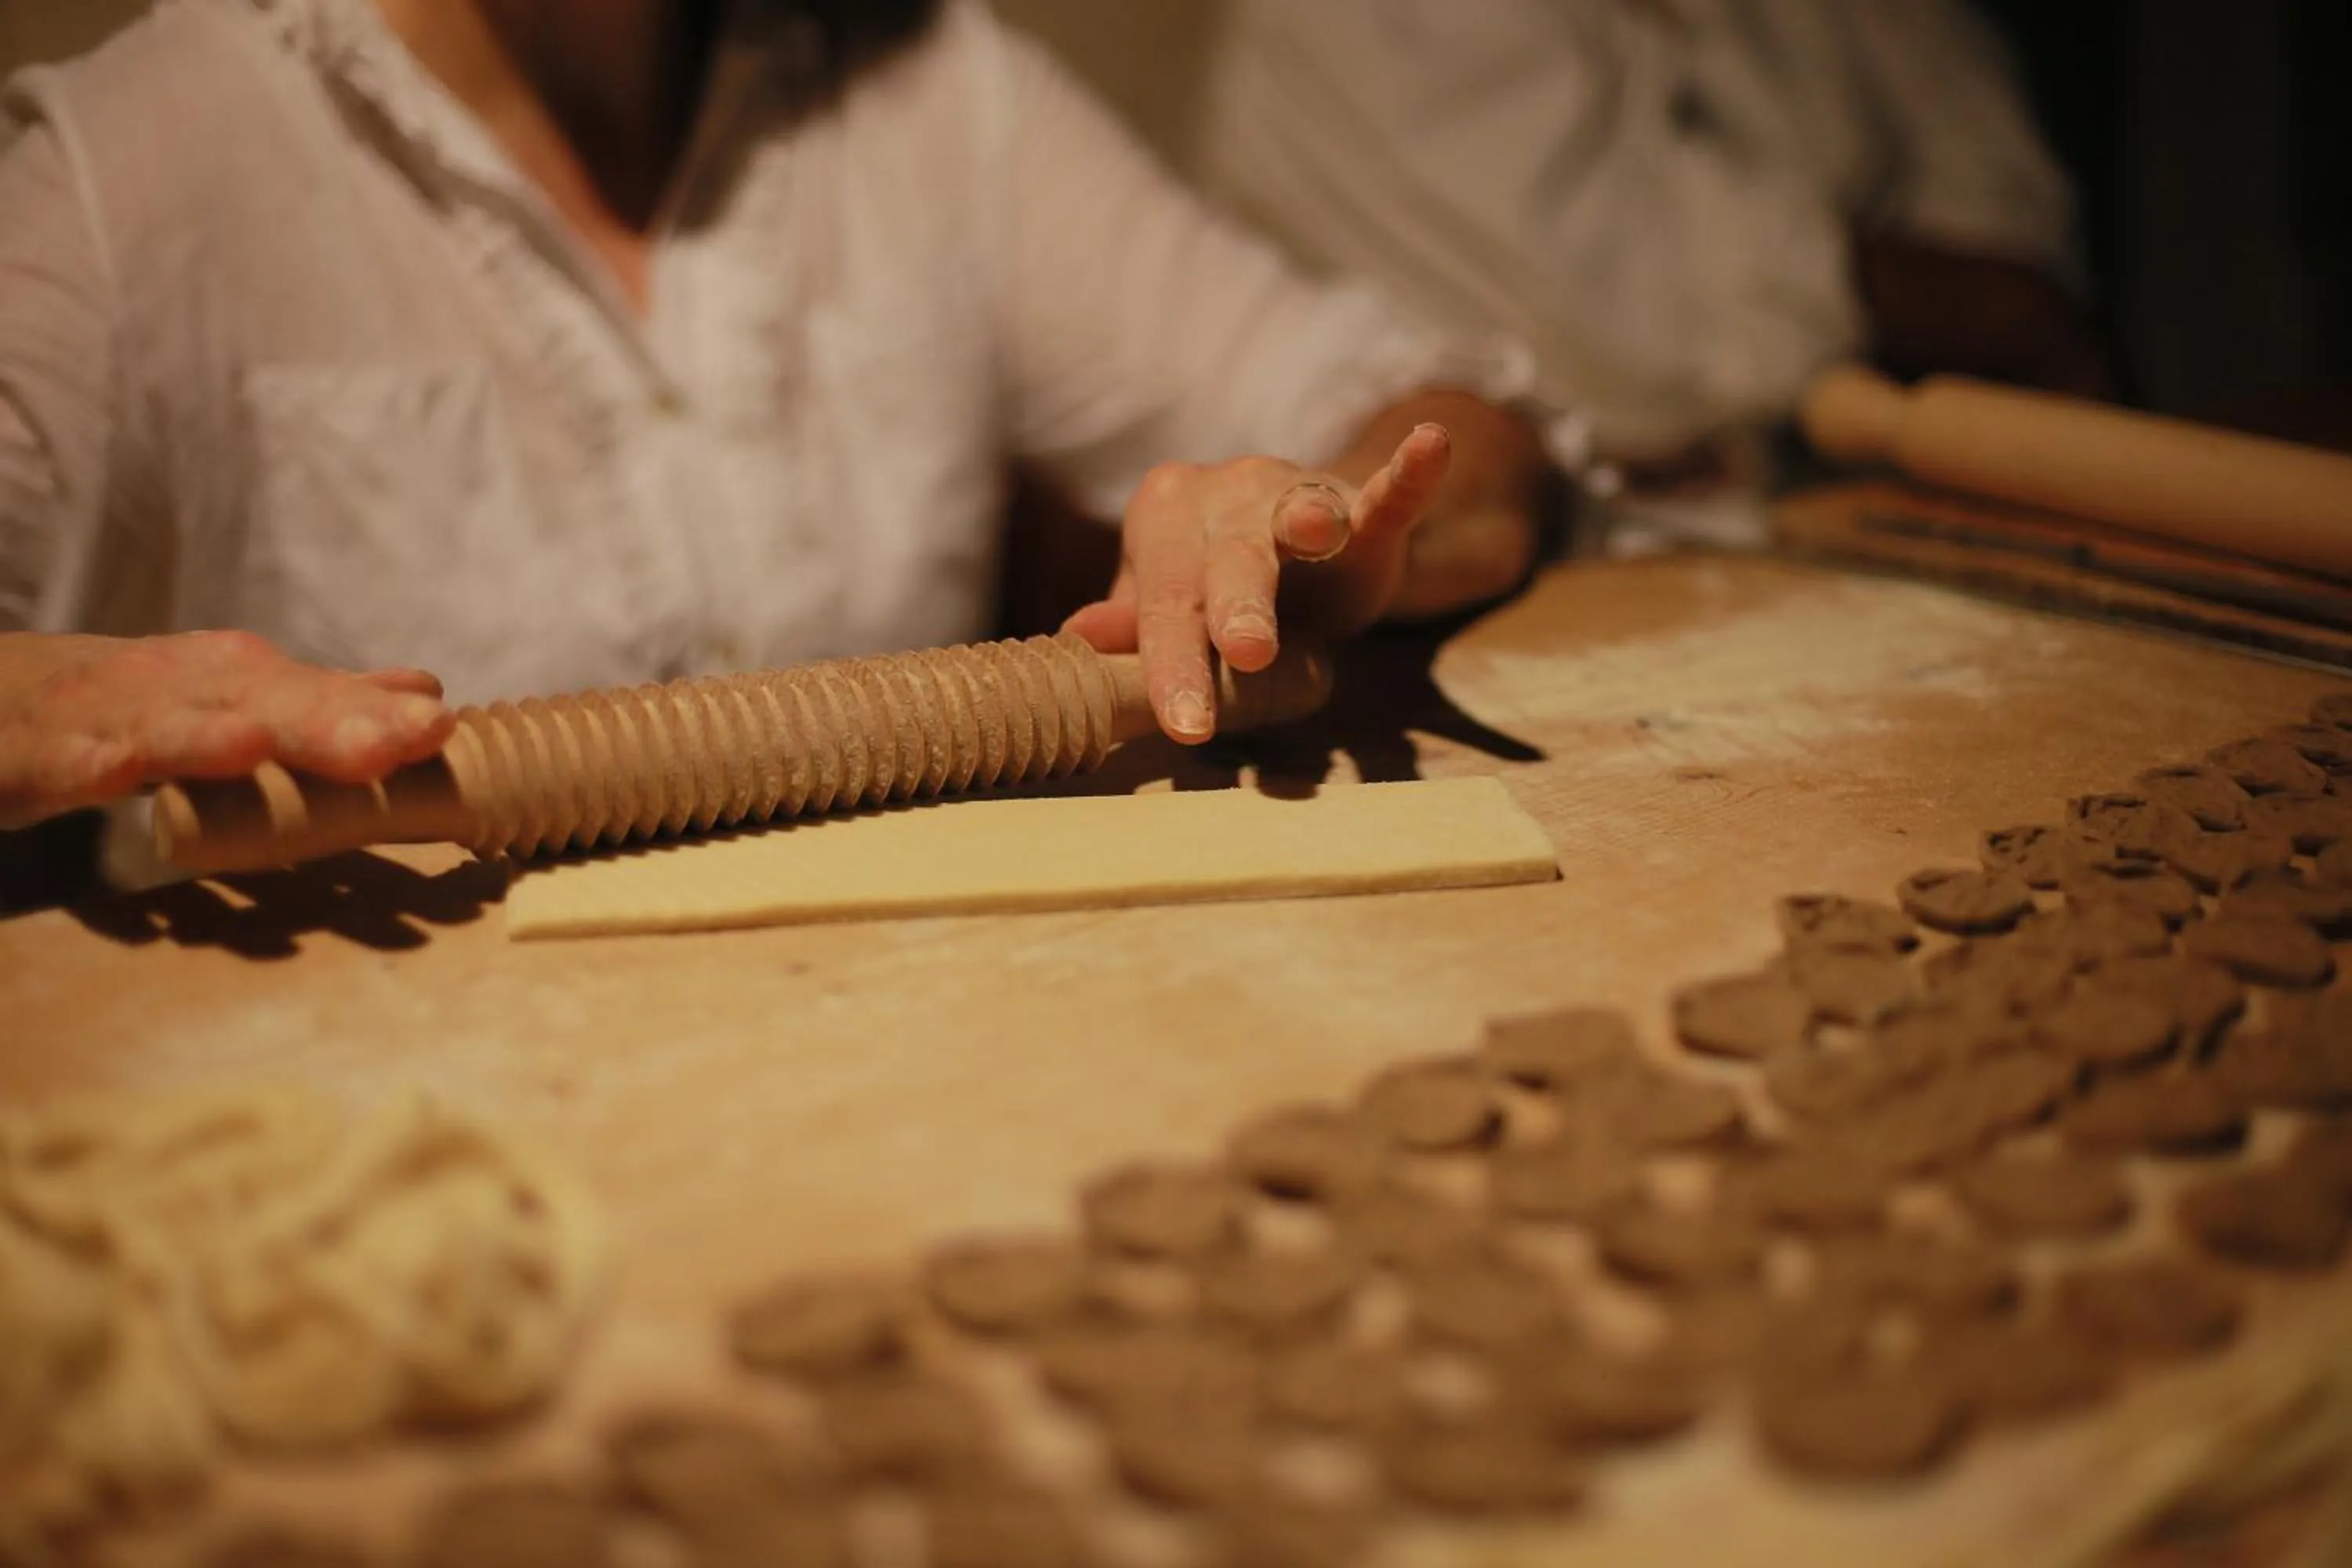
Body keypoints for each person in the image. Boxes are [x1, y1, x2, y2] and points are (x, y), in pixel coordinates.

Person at [0, 0, 1555, 836]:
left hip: (908, 1061)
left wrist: (1335, 520)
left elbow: (1452, 433)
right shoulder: (129, 173)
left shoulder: (937, 93)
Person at [1105, 0, 2112, 464]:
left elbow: (2019, 241)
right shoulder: (1355, 26)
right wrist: (1951, 300)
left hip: (1848, 514)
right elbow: (1624, 355)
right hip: (1554, 579)